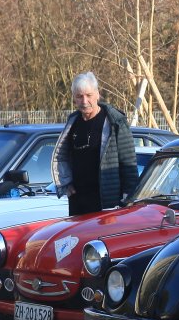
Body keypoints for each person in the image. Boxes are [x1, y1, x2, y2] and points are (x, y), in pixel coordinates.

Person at [53, 72, 141, 216]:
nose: (84, 101)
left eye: (88, 95)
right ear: (74, 98)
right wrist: (66, 183)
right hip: (77, 203)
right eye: (79, 96)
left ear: (97, 94)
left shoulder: (115, 122)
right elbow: (62, 157)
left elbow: (129, 164)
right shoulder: (72, 123)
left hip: (107, 203)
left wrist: (128, 201)